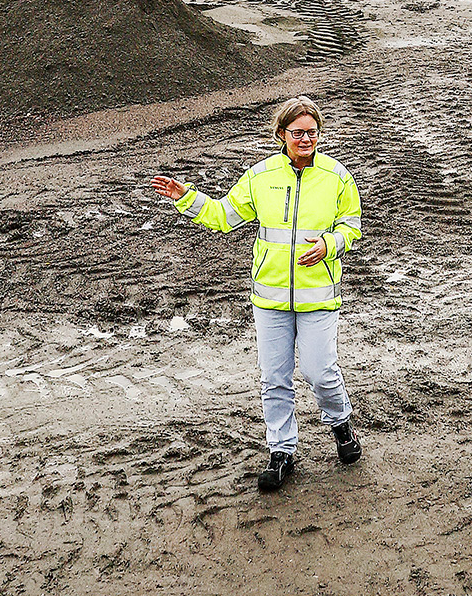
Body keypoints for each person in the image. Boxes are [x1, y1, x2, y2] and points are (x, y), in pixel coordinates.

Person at [152, 95, 363, 492]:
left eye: (312, 133)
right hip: (270, 300)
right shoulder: (260, 176)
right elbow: (223, 216)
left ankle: (341, 424)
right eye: (298, 133)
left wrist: (330, 244)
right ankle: (282, 451)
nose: (306, 139)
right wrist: (186, 197)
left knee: (321, 373)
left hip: (319, 297)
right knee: (274, 378)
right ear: (281, 134)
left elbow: (352, 225)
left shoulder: (337, 177)